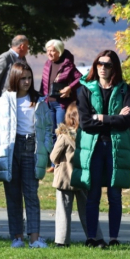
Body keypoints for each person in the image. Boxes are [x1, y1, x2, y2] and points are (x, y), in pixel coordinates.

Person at [71, 50, 130, 247]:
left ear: (114, 67)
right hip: (94, 147)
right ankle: (92, 237)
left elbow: (127, 121)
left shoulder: (125, 89)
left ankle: (114, 238)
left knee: (115, 195)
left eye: (107, 64)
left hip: (117, 147)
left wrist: (100, 117)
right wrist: (113, 119)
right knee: (93, 194)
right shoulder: (85, 89)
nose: (103, 68)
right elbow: (85, 123)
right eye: (99, 63)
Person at [0, 62, 53, 248]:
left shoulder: (39, 101)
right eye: (23, 78)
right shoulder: (3, 102)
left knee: (31, 194)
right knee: (13, 195)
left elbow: (48, 128)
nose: (27, 81)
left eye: (29, 78)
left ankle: (34, 238)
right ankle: (17, 237)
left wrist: (46, 148)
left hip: (31, 148)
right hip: (10, 149)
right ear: (15, 78)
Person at [50, 101, 104, 247]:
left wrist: (59, 162)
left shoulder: (64, 137)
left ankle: (62, 241)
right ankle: (95, 238)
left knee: (63, 211)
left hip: (65, 179)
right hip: (82, 177)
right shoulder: (87, 137)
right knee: (87, 210)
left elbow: (53, 156)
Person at [40, 39, 82, 173]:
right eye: (48, 50)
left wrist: (70, 87)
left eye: (53, 51)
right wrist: (40, 98)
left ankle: (65, 160)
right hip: (49, 103)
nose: (50, 53)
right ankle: (54, 163)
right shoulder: (47, 64)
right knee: (52, 132)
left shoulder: (68, 65)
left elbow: (82, 78)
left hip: (62, 104)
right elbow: (43, 83)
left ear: (60, 51)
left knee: (62, 132)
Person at [0, 35, 29, 108]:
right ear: (22, 46)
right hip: (6, 101)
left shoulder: (23, 59)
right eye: (27, 46)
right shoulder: (5, 58)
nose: (28, 48)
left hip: (20, 100)